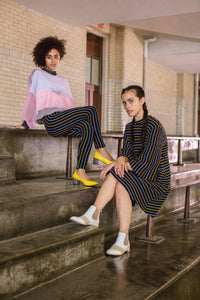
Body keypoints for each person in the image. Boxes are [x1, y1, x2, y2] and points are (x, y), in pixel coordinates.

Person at [70, 85, 171, 256]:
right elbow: (126, 153)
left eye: (131, 101)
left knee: (118, 173)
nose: (127, 106)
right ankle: (122, 238)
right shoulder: (129, 127)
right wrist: (120, 159)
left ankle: (94, 214)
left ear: (142, 101)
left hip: (155, 178)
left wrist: (115, 164)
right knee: (121, 181)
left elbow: (149, 162)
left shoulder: (154, 126)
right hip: (138, 173)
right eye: (124, 103)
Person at [13, 36, 114, 186]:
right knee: (91, 110)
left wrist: (74, 121)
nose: (53, 60)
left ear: (60, 57)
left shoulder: (63, 80)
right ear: (42, 58)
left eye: (56, 56)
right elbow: (32, 100)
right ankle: (101, 150)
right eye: (49, 57)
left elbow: (69, 107)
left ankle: (80, 171)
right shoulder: (38, 75)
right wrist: (26, 123)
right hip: (52, 121)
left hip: (64, 121)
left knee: (87, 127)